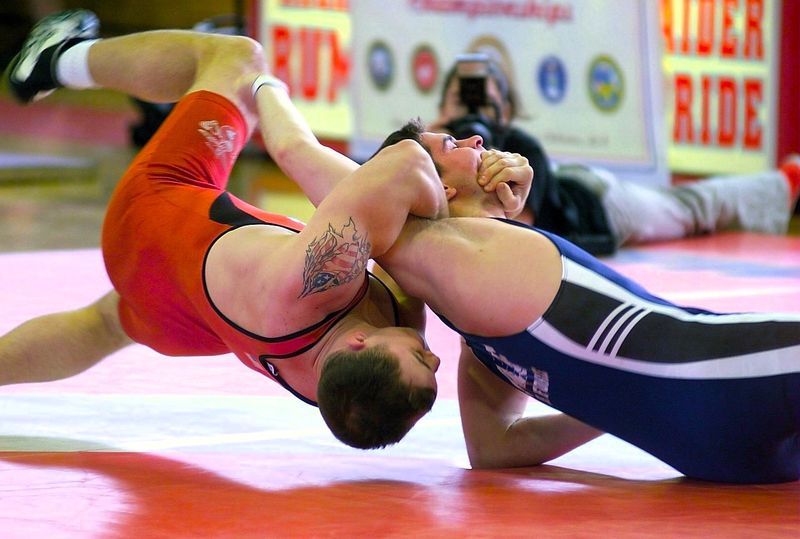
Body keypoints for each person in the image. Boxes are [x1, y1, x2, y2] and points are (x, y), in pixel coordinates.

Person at [0, 9, 472, 448]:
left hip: (150, 223)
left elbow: (401, 161)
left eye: (420, 362)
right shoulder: (346, 394)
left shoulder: (320, 277)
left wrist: (264, 84)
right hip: (186, 322)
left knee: (236, 55)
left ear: (359, 341)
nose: (435, 358)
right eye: (431, 369)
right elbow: (423, 248)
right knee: (104, 325)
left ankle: (56, 59)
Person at [336, 120, 800, 484]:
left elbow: (494, 450)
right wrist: (261, 84)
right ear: (433, 187)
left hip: (710, 459)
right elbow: (334, 179)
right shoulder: (446, 252)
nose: (476, 138)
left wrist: (610, 408)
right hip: (728, 379)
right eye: (452, 144)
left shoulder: (474, 333)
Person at [430, 55, 800, 254]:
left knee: (689, 208)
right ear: (443, 105)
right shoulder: (432, 149)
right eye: (462, 100)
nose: (472, 120)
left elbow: (513, 233)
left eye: (487, 102)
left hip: (595, 201)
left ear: (506, 110)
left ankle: (787, 181)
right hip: (565, 182)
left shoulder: (521, 146)